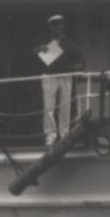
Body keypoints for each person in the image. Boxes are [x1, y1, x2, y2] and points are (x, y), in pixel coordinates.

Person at [35, 14, 85, 144]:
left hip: (65, 76)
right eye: (55, 24)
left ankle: (64, 135)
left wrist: (78, 65)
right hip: (49, 76)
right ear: (50, 26)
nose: (58, 27)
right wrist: (38, 51)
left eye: (60, 24)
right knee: (49, 108)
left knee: (65, 106)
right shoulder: (44, 40)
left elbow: (80, 57)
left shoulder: (68, 41)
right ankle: (50, 137)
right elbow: (34, 56)